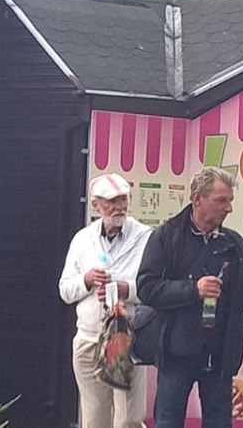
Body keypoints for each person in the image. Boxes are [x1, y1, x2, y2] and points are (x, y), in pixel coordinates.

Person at [137, 166, 243, 428]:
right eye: (221, 200)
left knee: (219, 423)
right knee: (167, 422)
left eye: (230, 201)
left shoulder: (233, 243)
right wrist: (194, 290)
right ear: (197, 198)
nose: (229, 208)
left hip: (220, 354)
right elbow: (147, 288)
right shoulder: (166, 236)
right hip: (175, 352)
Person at [59, 173, 152, 428]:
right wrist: (87, 280)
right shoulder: (83, 239)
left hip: (126, 337)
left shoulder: (145, 237)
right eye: (111, 201)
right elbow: (65, 290)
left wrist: (125, 289)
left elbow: (155, 287)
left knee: (128, 419)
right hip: (89, 338)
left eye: (123, 199)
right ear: (96, 205)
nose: (119, 206)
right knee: (94, 418)